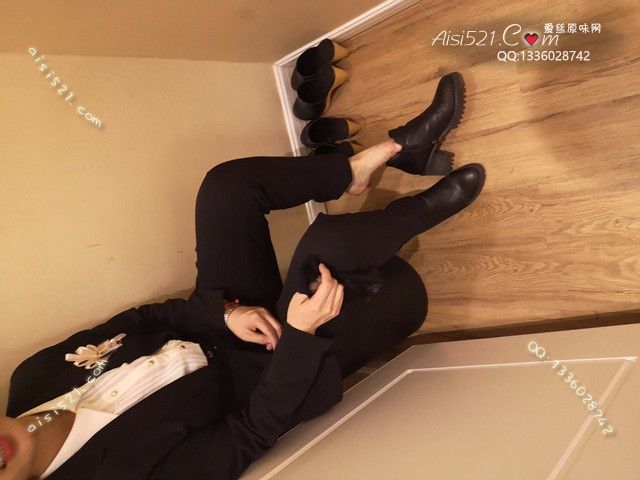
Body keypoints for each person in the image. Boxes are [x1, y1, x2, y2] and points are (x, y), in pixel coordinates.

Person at [0, 72, 484, 479]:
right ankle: (420, 211)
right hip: (266, 376)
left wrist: (225, 313)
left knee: (225, 189)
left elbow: (145, 318)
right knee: (324, 248)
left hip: (218, 326)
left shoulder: (32, 378)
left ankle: (375, 159)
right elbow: (249, 433)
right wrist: (299, 335)